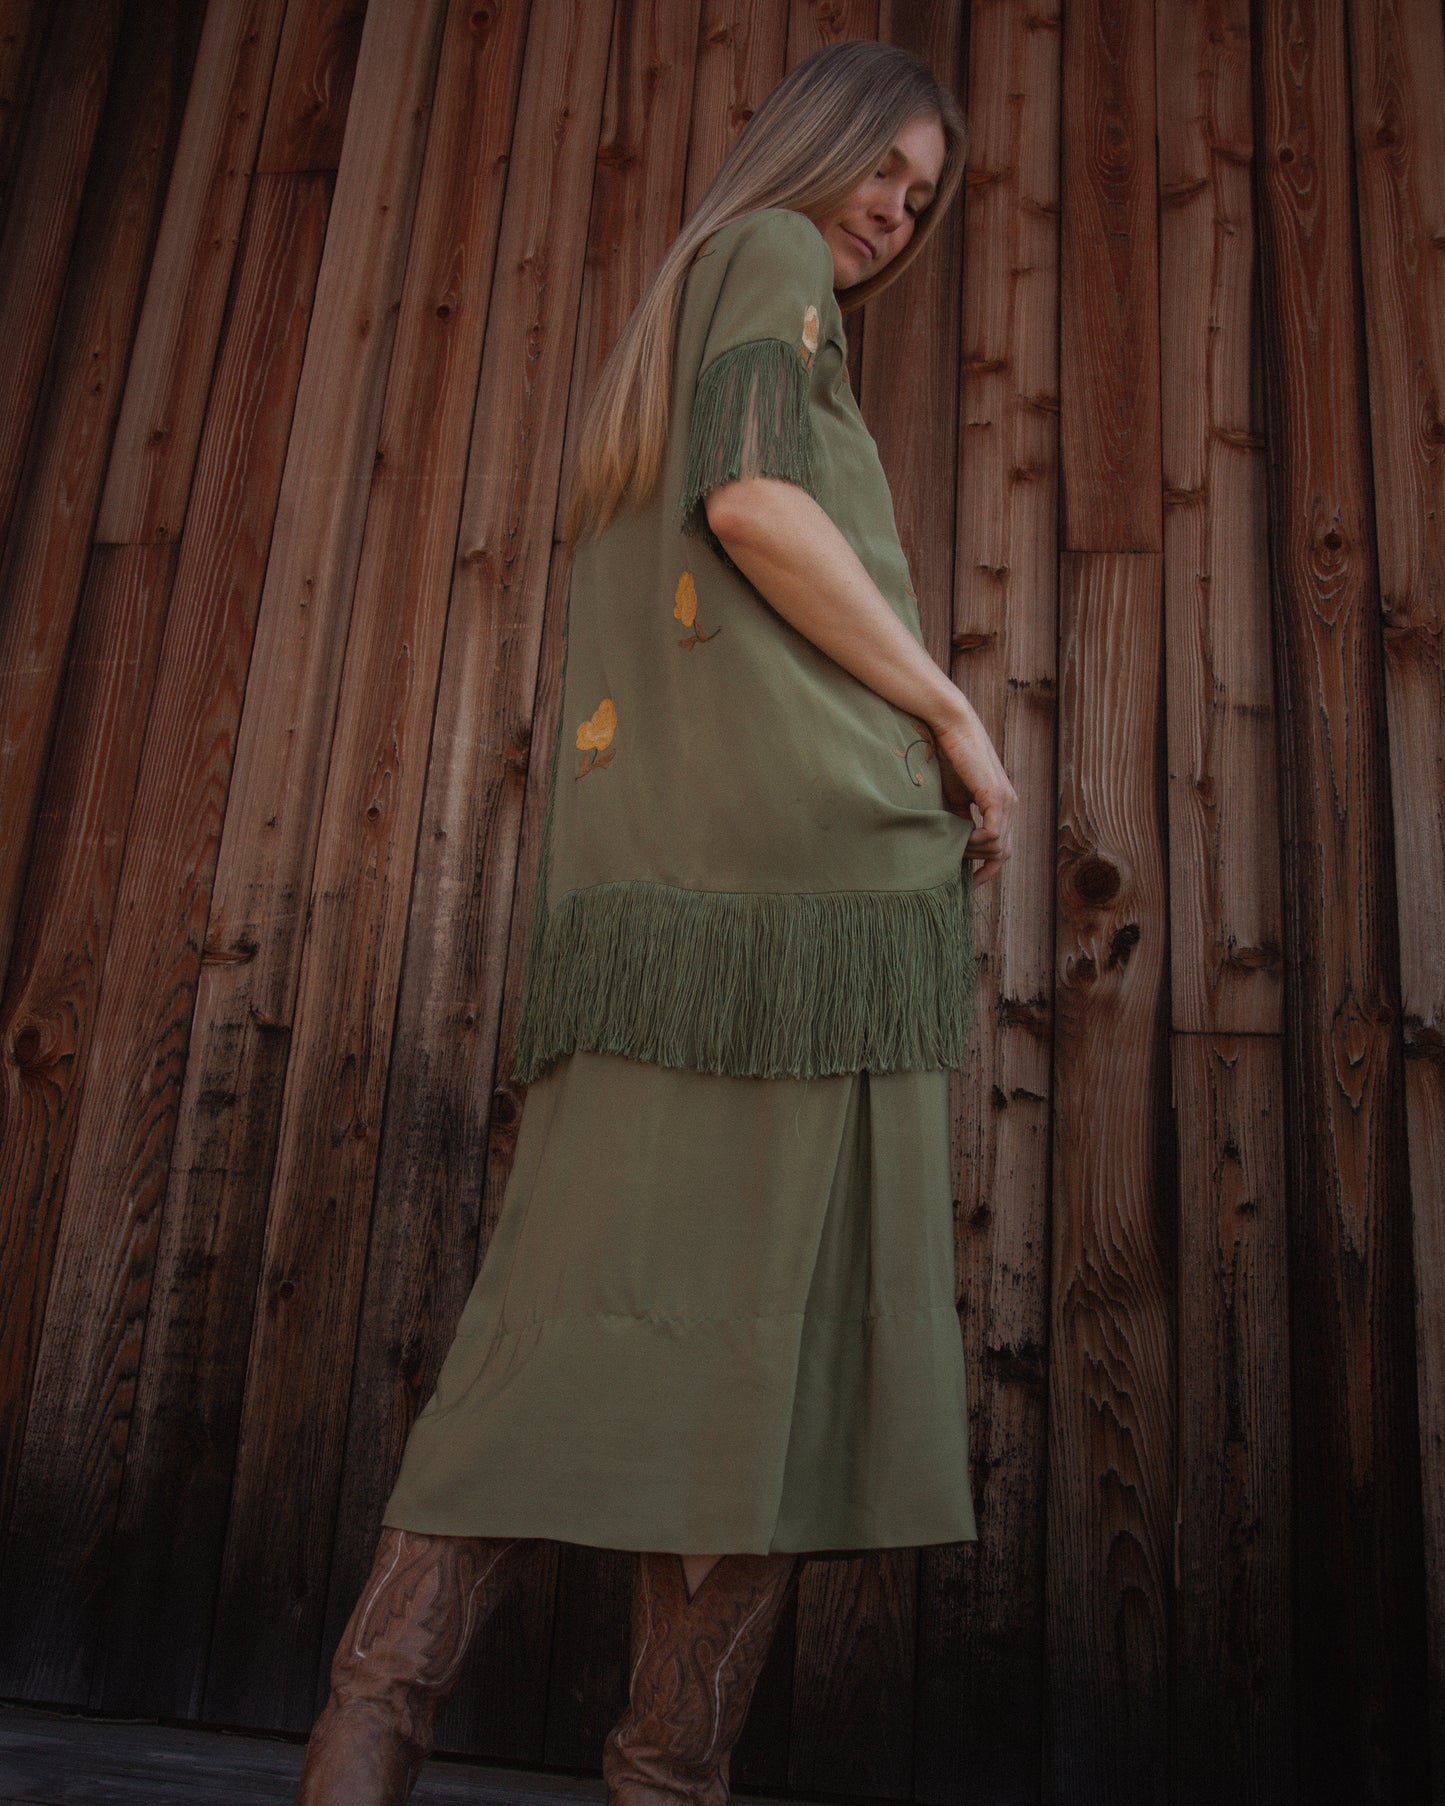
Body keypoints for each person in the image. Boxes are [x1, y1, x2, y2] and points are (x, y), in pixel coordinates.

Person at [295, 37, 1015, 1806]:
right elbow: (756, 506)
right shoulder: (764, 258)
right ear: (814, 139)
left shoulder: (698, 305)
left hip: (722, 903)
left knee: (590, 1303)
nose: (892, 214)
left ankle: (372, 1735)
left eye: (920, 201)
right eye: (885, 169)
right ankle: (653, 1781)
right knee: (746, 1348)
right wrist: (952, 716)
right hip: (795, 905)